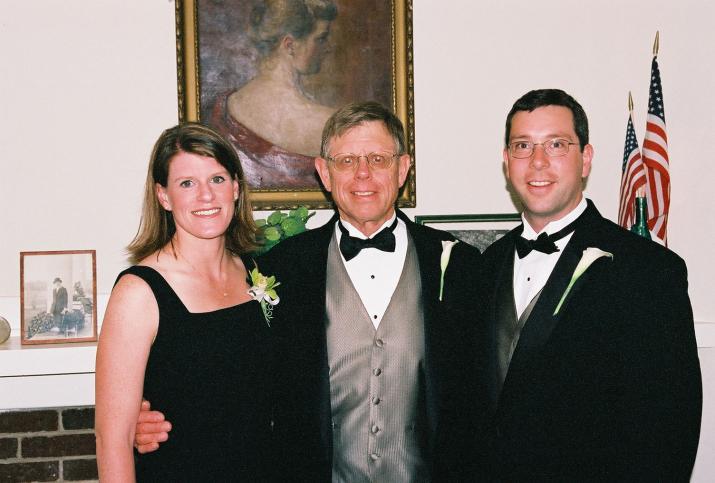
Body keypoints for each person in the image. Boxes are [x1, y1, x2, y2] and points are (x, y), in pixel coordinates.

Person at [135, 102, 485, 481]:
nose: (362, 174)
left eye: (378, 159)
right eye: (346, 161)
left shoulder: (460, 266)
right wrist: (148, 417)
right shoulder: (281, 269)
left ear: (402, 169)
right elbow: (234, 372)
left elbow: (487, 386)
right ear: (324, 173)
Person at [479, 88, 702, 481]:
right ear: (505, 161)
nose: (538, 162)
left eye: (557, 145)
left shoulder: (649, 271)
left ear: (586, 159)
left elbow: (669, 428)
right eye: (522, 146)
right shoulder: (483, 266)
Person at [95, 123, 274, 481]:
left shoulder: (258, 272)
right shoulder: (139, 292)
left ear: (236, 188)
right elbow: (111, 439)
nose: (206, 196)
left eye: (217, 180)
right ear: (163, 196)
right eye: (187, 183)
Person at [211, 0, 338, 189]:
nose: (328, 47)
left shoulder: (226, 104)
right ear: (289, 45)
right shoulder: (327, 122)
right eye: (321, 38)